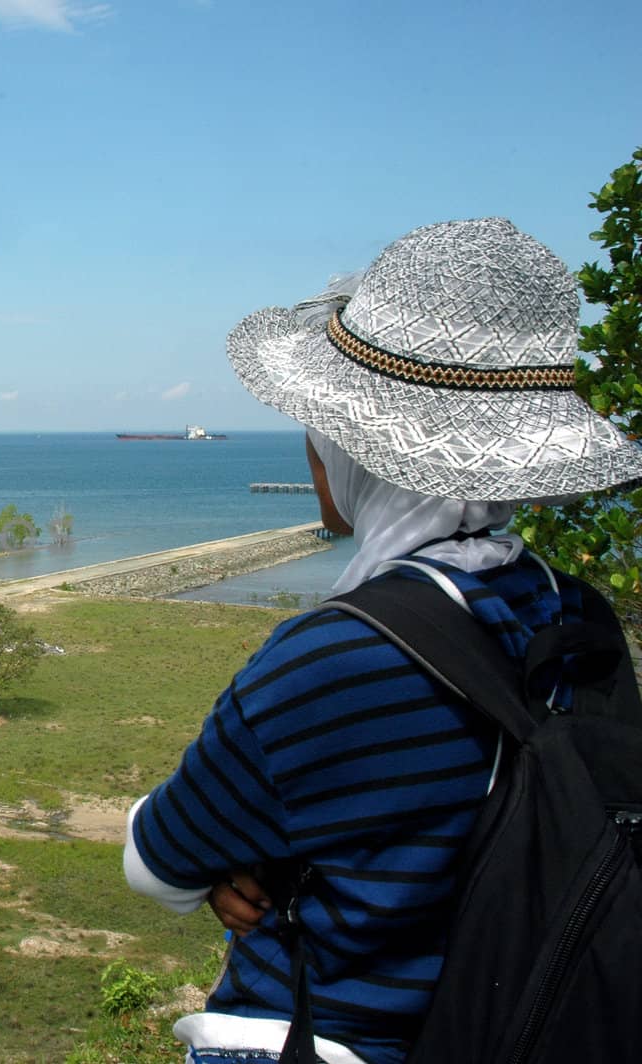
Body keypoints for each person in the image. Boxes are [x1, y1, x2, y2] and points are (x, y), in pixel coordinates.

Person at [123, 217, 642, 1064]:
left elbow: (157, 860)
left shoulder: (333, 657)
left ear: (346, 442)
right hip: (516, 1030)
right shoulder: (577, 620)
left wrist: (236, 857)